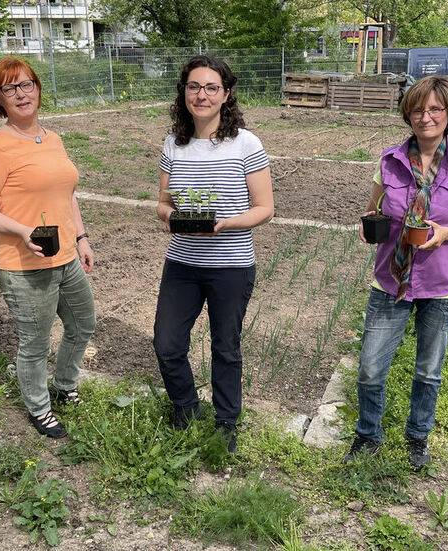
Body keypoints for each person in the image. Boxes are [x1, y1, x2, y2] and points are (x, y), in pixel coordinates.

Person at [345, 75, 448, 468]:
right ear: (408, 113)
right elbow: (374, 210)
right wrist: (368, 225)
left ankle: (417, 437)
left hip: (442, 285)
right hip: (390, 280)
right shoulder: (389, 160)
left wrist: (445, 233)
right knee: (371, 368)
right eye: (418, 109)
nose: (426, 117)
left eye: (435, 109)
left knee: (428, 371)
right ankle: (368, 435)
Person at [0, 57, 96, 439]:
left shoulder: (52, 138)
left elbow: (67, 194)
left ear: (38, 89)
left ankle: (65, 384)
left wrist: (81, 237)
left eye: (26, 85)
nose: (21, 94)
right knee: (35, 342)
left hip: (66, 257)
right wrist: (23, 230)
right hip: (23, 264)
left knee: (82, 323)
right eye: (10, 89)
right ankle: (39, 407)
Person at [153, 55, 274, 452]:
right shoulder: (174, 143)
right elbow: (163, 203)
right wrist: (173, 219)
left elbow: (264, 208)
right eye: (193, 86)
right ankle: (186, 409)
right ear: (183, 92)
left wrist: (225, 223)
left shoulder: (246, 142)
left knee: (225, 348)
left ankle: (226, 422)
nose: (201, 95)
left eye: (210, 88)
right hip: (183, 262)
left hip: (231, 265)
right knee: (168, 345)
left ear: (225, 95)